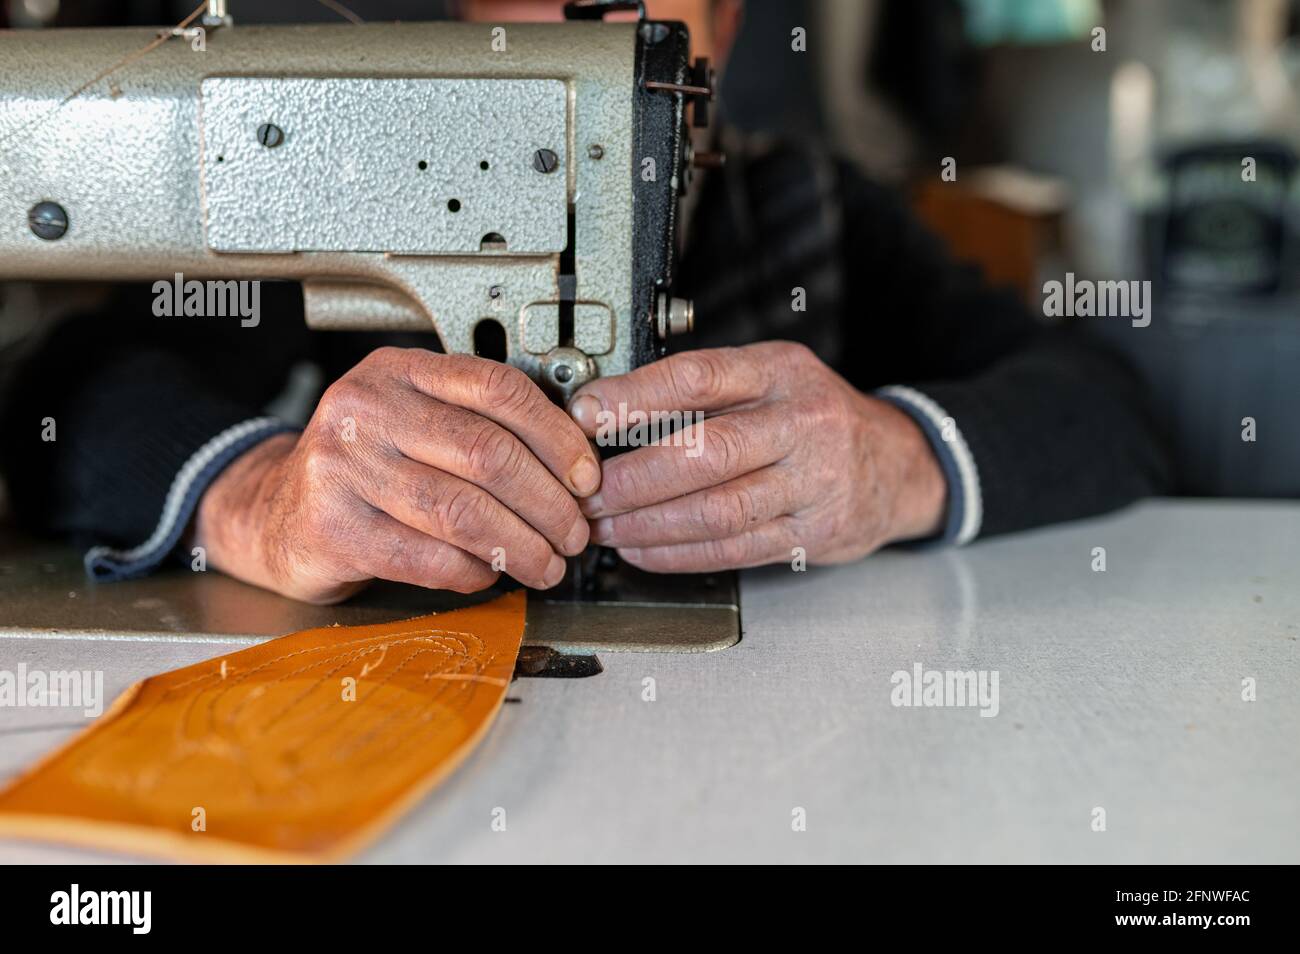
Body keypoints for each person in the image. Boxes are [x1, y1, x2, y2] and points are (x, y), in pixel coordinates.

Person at [0, 0, 1169, 604]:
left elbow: (1102, 399)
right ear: (464, 27)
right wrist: (255, 498)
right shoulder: (339, 189)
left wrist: (896, 460)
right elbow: (64, 390)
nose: (595, 41)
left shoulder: (812, 209)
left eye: (640, 25)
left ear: (723, 30)